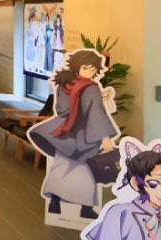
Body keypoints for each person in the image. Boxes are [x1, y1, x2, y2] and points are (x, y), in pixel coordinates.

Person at [27, 47, 120, 222]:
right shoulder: (91, 88)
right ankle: (86, 209)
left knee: (61, 166)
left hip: (65, 132)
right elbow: (95, 113)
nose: (90, 71)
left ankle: (55, 203)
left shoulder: (65, 84)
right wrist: (106, 139)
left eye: (92, 69)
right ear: (78, 66)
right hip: (86, 134)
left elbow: (62, 108)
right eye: (86, 67)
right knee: (87, 171)